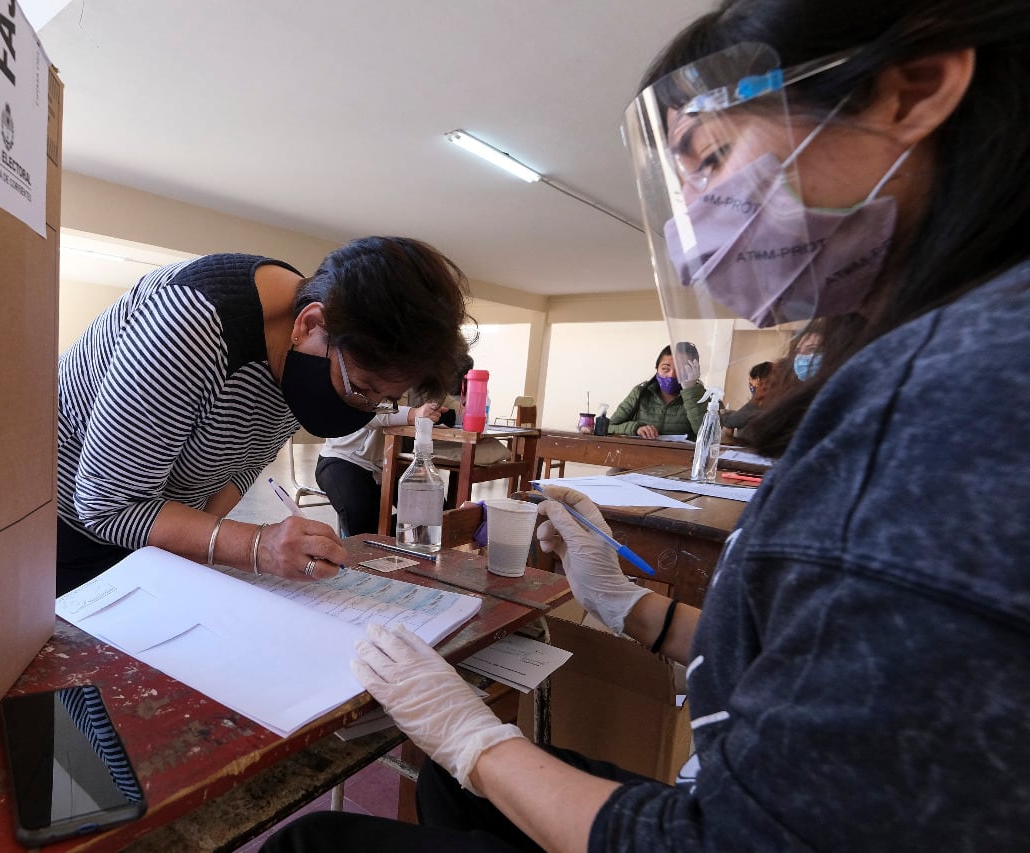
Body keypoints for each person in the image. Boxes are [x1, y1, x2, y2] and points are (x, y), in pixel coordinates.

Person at [262, 0, 1030, 849]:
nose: (693, 217)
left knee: (312, 841)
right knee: (456, 788)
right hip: (743, 781)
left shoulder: (963, 394)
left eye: (712, 158)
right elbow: (806, 656)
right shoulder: (937, 353)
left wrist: (474, 735)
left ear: (914, 90)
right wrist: (630, 603)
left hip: (720, 816)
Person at [56, 236, 472, 596]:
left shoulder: (306, 352)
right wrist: (256, 545)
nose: (362, 408)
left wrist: (203, 543)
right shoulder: (192, 325)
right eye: (362, 389)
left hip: (156, 526)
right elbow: (107, 506)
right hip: (62, 525)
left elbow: (240, 466)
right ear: (310, 325)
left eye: (384, 399)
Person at [313, 399, 442, 537]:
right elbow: (364, 412)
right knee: (362, 525)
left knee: (435, 512)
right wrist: (413, 413)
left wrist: (450, 412)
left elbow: (434, 400)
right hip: (343, 458)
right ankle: (375, 538)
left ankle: (386, 535)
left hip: (391, 462)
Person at [606, 342, 708, 439]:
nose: (671, 375)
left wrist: (691, 391)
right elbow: (609, 427)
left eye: (681, 370)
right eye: (665, 369)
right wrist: (636, 428)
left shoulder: (703, 397)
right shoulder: (640, 392)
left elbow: (707, 437)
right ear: (657, 368)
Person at [721, 360, 773, 443]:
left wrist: (724, 414)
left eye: (750, 380)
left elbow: (730, 421)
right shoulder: (779, 398)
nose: (749, 384)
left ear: (757, 381)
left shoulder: (760, 402)